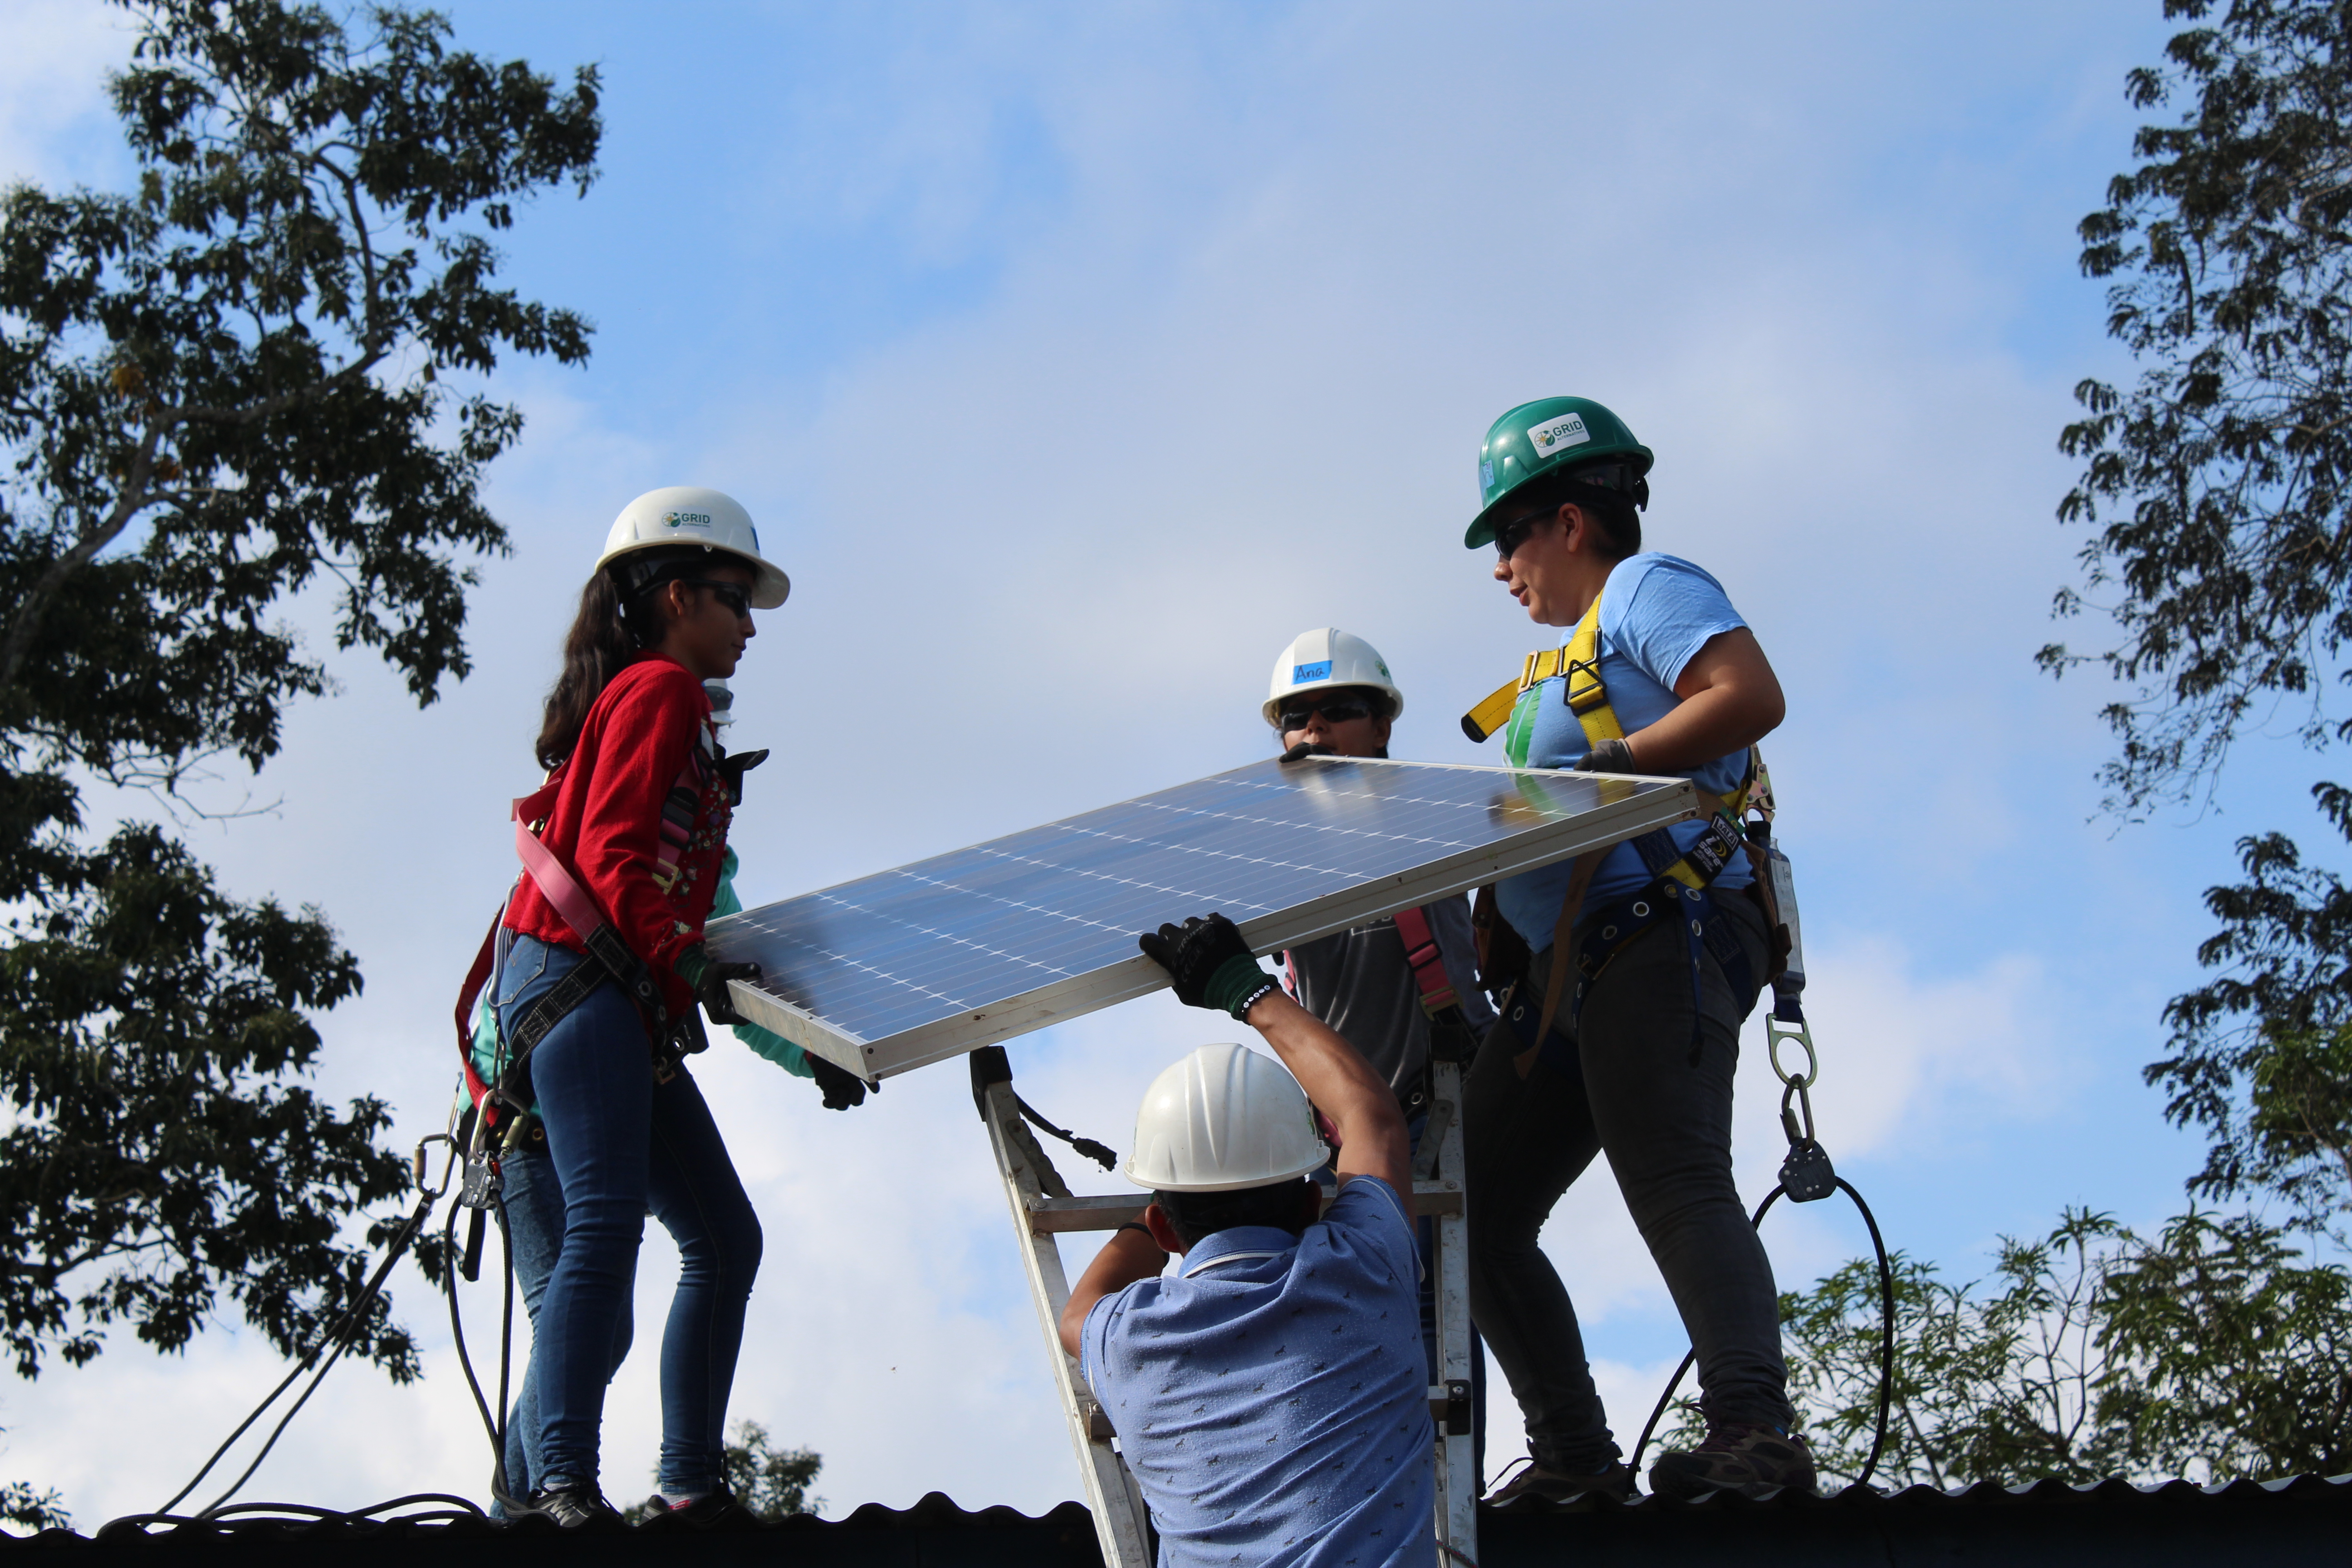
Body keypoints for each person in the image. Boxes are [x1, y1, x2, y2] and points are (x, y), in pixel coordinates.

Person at [1456, 397, 1809, 1503]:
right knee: (1468, 1203)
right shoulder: (1550, 670)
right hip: (1575, 977)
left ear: (1568, 521)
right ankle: (1573, 1462)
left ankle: (1756, 1433)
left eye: (1508, 539)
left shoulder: (1646, 592)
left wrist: (1606, 772)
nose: (1502, 569)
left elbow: (1749, 697)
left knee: (1675, 1176)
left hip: (1666, 933)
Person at [483, 485, 796, 1526]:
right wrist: (683, 961)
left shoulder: (668, 704)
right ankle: (559, 1487)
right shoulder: (658, 691)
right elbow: (612, 855)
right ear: (673, 599)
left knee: (725, 1237)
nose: (750, 627)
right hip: (580, 980)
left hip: (606, 993)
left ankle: (691, 1488)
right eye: (733, 600)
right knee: (608, 1226)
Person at [1061, 912, 1434, 1568]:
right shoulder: (1365, 1267)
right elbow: (1371, 1116)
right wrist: (1245, 990)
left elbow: (1078, 1311)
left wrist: (1159, 1208)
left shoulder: (1127, 1338)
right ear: (1315, 1199)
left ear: (1162, 1227)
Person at [1260, 627, 1493, 1453]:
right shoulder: (1265, 851)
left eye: (1337, 712)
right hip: (1338, 1130)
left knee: (1440, 1305)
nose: (1314, 732)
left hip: (1440, 1103)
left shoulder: (1427, 815)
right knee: (1339, 1314)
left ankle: (1455, 1492)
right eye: (1295, 719)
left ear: (1383, 726)